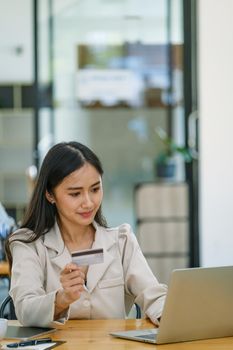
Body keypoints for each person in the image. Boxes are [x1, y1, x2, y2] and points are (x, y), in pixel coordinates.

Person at [5, 141, 167, 327]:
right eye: (75, 194)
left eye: (95, 189)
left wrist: (169, 317)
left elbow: (153, 295)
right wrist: (61, 299)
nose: (88, 202)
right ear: (50, 194)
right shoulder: (28, 244)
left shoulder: (121, 241)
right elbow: (25, 311)